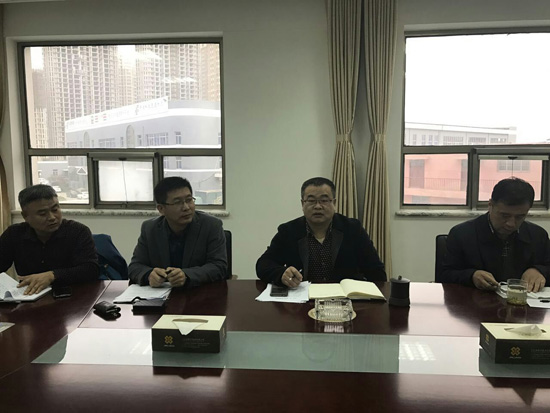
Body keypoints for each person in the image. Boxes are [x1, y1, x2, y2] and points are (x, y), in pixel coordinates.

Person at [256, 177, 385, 287]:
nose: (318, 206)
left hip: (345, 300)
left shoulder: (352, 229)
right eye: (311, 201)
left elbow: (376, 271)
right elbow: (263, 264)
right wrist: (281, 274)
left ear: (334, 203)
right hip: (302, 301)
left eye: (324, 200)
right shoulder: (288, 231)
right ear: (302, 204)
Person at [442, 177, 550, 292]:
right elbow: (444, 275)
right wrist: (471, 276)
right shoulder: (462, 234)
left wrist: (539, 271)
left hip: (524, 301)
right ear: (490, 205)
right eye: (504, 215)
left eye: (520, 217)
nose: (511, 224)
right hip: (477, 300)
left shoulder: (538, 235)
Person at [128, 177, 227, 288]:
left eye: (189, 200)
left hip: (199, 293)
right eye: (177, 203)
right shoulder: (150, 229)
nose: (186, 207)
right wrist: (148, 275)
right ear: (161, 209)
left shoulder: (211, 225)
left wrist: (186, 275)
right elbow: (134, 266)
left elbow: (219, 266)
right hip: (160, 294)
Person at [0, 184, 99, 295]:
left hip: (73, 296)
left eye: (55, 209)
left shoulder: (78, 231)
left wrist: (52, 275)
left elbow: (91, 270)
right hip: (29, 297)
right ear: (25, 216)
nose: (52, 217)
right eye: (42, 214)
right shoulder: (14, 234)